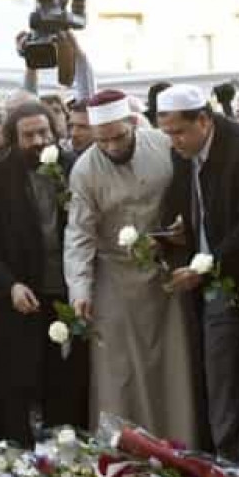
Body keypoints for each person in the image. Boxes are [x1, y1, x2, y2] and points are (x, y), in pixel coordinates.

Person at [64, 89, 198, 447]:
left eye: (119, 137)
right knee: (118, 374)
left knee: (172, 367)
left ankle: (179, 449)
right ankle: (122, 455)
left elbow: (190, 197)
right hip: (114, 278)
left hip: (164, 271)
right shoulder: (84, 170)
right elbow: (78, 235)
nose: (111, 147)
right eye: (102, 140)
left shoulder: (162, 145)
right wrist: (79, 290)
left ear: (133, 123)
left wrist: (182, 230)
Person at [156, 85, 239, 461]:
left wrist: (206, 266)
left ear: (203, 120)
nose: (174, 142)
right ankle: (225, 461)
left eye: (179, 132)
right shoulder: (183, 152)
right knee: (220, 381)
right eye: (167, 134)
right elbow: (183, 205)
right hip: (206, 279)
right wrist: (172, 232)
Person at [0, 102, 88, 446]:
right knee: (19, 380)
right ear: (13, 138)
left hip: (67, 291)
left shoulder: (73, 167)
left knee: (65, 378)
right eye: (29, 135)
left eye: (43, 133)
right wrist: (9, 285)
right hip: (22, 294)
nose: (38, 141)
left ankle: (64, 450)